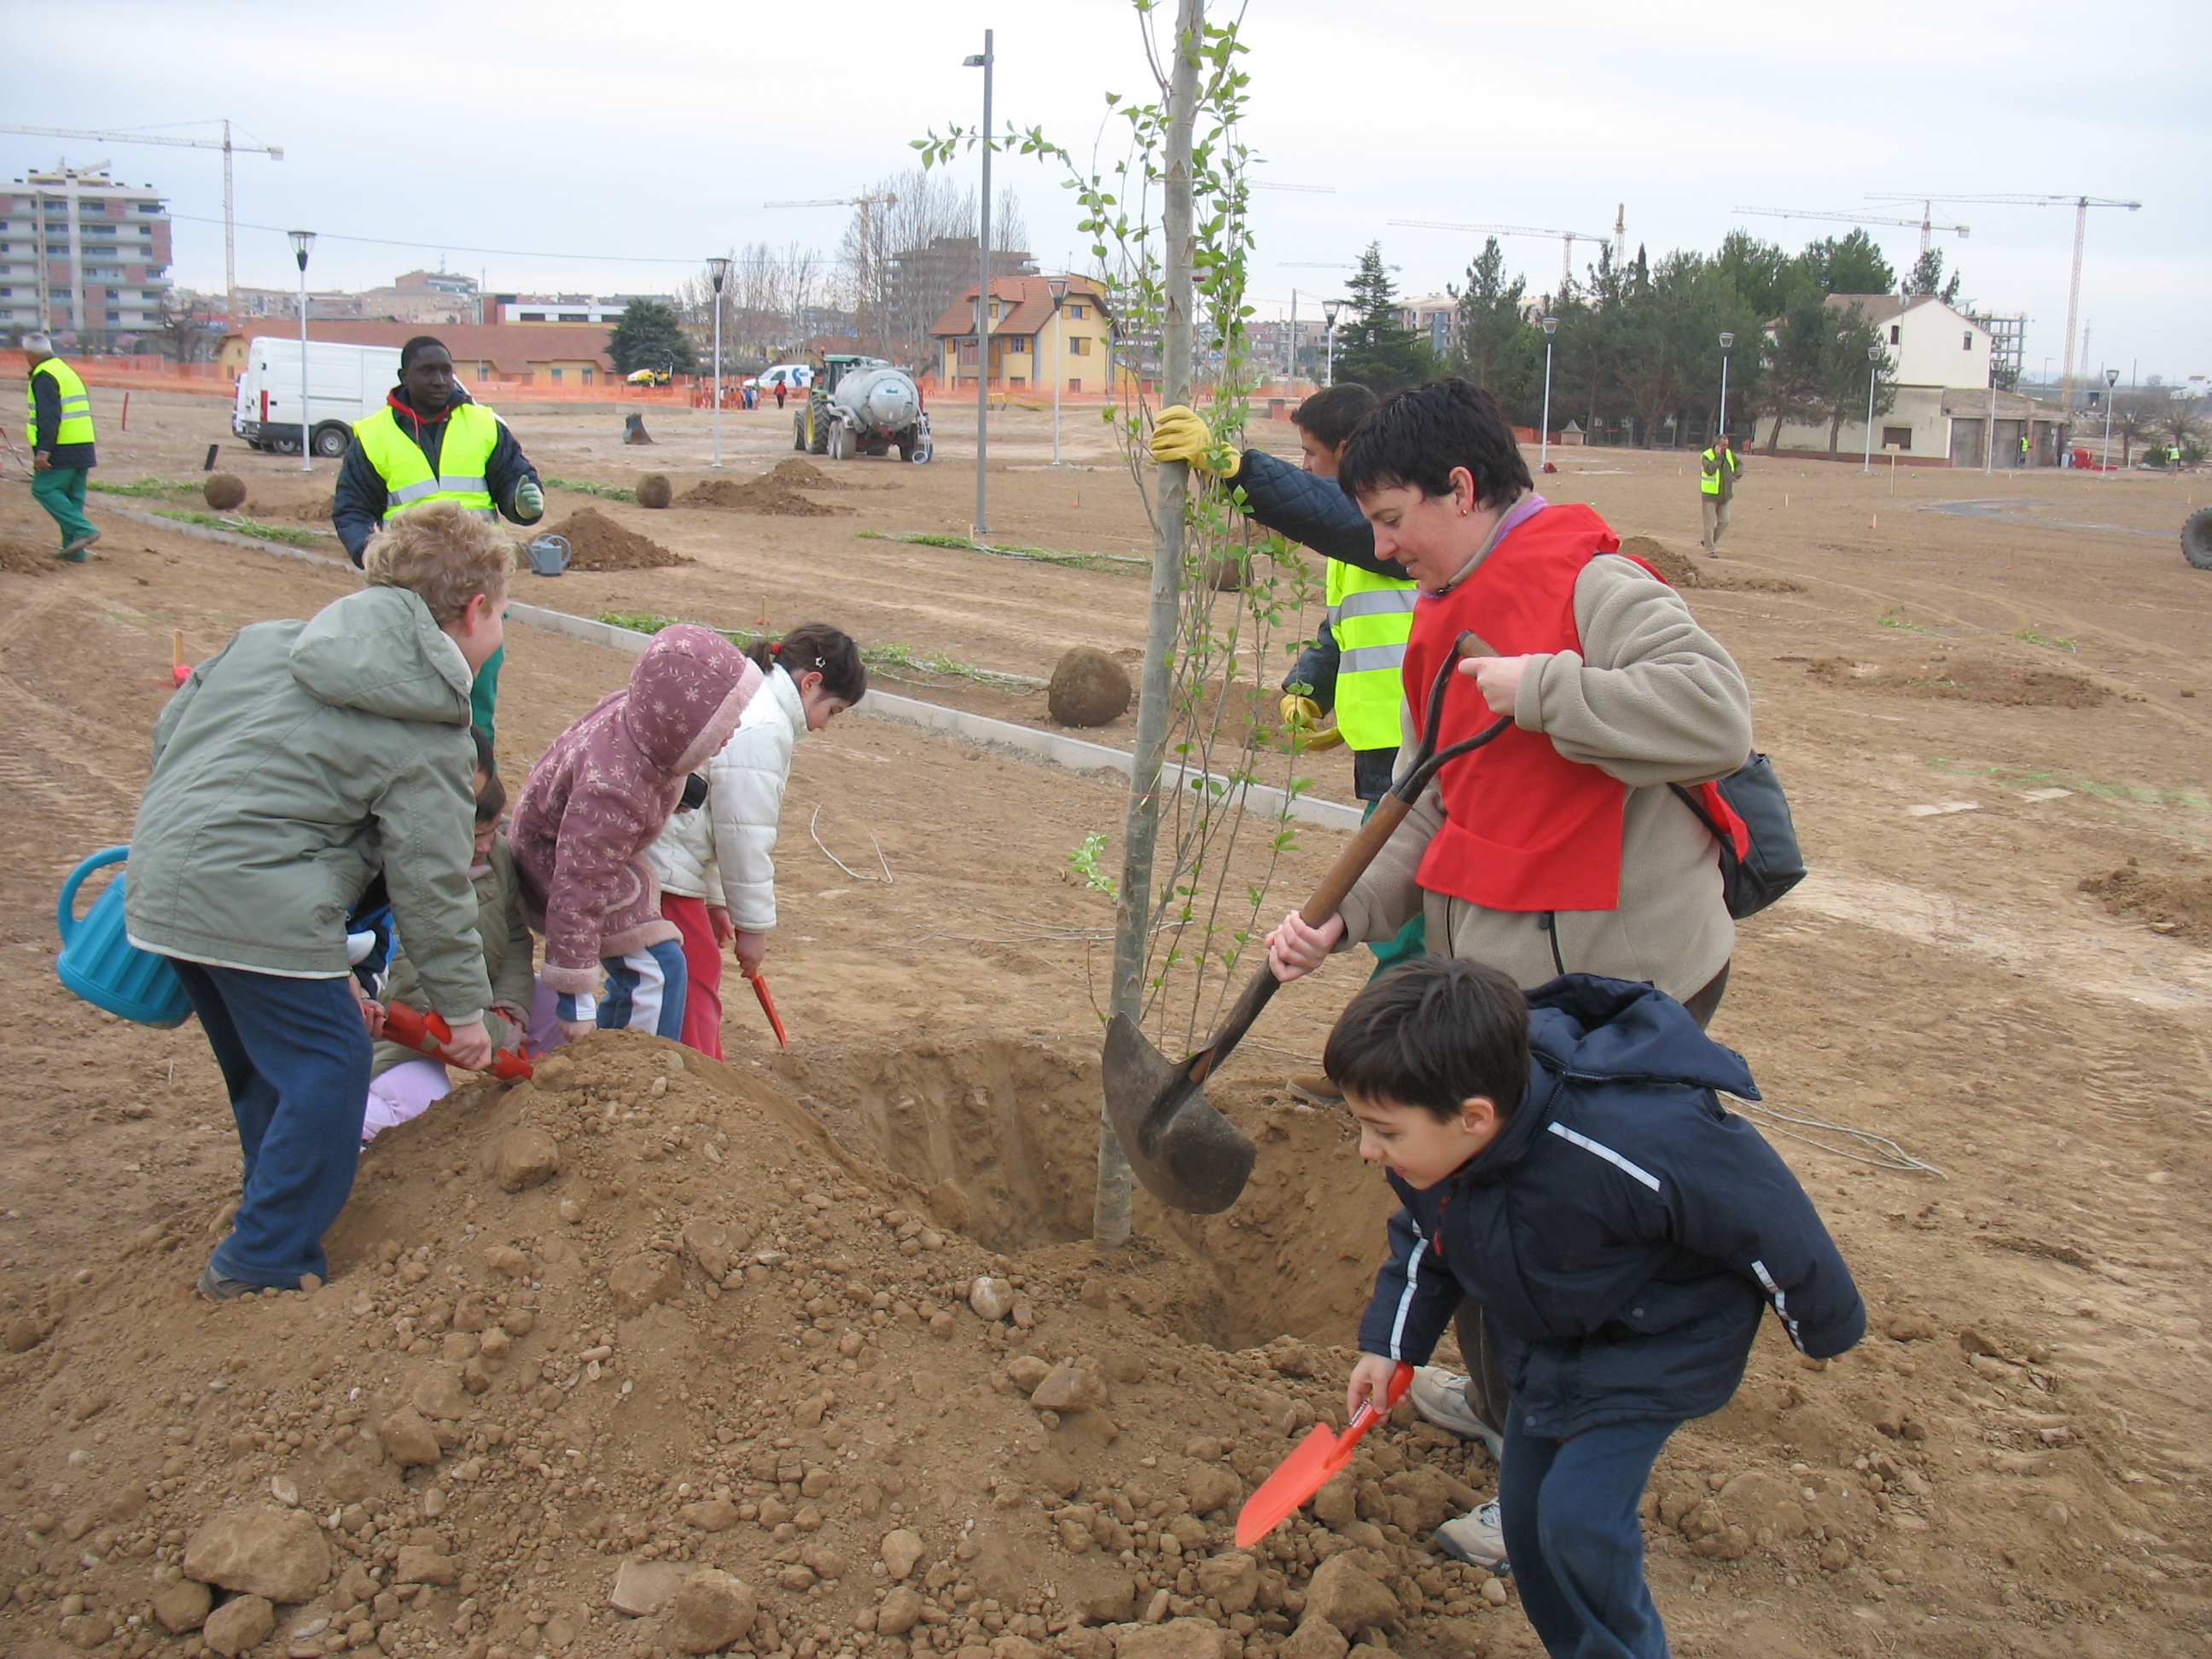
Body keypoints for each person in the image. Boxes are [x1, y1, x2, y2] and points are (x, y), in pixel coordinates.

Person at [1266, 377, 1755, 1556]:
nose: (1377, 548)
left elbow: (1716, 718)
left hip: (1625, 980)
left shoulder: (1598, 585)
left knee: (1557, 1241)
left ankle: (1543, 1468)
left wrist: (1540, 689)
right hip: (1504, 974)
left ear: (1464, 488)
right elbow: (1431, 805)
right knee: (1474, 1207)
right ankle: (1496, 1405)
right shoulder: (1446, 609)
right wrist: (1346, 919)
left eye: (1390, 520)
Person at [1330, 958, 1863, 1656]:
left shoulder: (1630, 1136)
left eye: (1385, 1131)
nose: (1369, 1150)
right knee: (1527, 1526)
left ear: (1474, 1118)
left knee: (1579, 1523)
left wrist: (1822, 1324)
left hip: (1662, 1341)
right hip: (1553, 1341)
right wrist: (1392, 1346)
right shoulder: (1438, 1163)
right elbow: (1428, 1241)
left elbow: (1765, 1213)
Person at [125, 504, 508, 1296]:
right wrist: (467, 1016)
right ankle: (264, 1256)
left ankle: (270, 1204)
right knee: (333, 1066)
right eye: (502, 613)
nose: (500, 630)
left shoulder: (266, 640)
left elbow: (169, 735)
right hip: (252, 896)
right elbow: (432, 887)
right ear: (473, 611)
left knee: (271, 1068)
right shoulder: (433, 729)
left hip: (164, 875)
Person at [1150, 386, 1423, 1105]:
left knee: (1408, 931)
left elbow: (1331, 515)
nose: (1304, 467)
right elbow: (1344, 624)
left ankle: (1376, 1077)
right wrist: (1312, 682)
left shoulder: (1396, 525)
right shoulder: (1365, 536)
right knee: (1415, 923)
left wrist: (1235, 469)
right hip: (1380, 748)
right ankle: (1389, 1074)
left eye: (1310, 454)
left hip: (1419, 754)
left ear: (1348, 454)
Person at [510, 625, 762, 1046]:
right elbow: (578, 887)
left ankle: (612, 1050)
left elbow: (648, 766)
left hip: (580, 852)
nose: (734, 727)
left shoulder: (641, 722)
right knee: (656, 971)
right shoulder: (612, 791)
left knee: (659, 963)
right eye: (723, 719)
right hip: (553, 864)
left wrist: (680, 784)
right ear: (684, 724)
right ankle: (634, 1073)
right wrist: (574, 995)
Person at [648, 625, 866, 1059]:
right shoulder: (765, 726)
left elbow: (712, 812)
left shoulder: (753, 698)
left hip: (669, 852)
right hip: (663, 861)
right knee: (694, 974)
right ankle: (699, 1078)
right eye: (834, 712)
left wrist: (714, 901)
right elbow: (743, 834)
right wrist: (753, 929)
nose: (825, 727)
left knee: (692, 969)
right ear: (811, 683)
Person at [333, 335, 545, 741]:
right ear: (403, 377)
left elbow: (514, 482)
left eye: (446, 370)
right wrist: (370, 552)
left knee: (476, 700)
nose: (440, 379)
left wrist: (524, 503)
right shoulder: (374, 437)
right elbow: (352, 510)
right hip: (409, 590)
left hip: (475, 587)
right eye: (427, 371)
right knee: (408, 695)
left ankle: (476, 786)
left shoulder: (484, 426)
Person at [363, 729, 538, 1138]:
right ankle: (341, 1120)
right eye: (477, 836)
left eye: (493, 832)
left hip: (486, 1005)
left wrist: (513, 1009)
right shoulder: (403, 876)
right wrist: (494, 1032)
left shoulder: (496, 858)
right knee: (419, 1109)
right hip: (409, 1027)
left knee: (562, 1020)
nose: (487, 846)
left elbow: (515, 939)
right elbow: (406, 988)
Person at [21, 332, 102, 561]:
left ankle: (84, 530)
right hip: (83, 443)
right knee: (72, 497)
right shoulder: (65, 370)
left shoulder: (44, 375)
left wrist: (43, 450)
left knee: (44, 489)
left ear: (29, 354)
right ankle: (74, 552)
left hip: (61, 445)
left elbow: (49, 416)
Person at [1697, 430, 1741, 557]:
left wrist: (1737, 474)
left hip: (1725, 495)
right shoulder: (1707, 455)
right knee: (1710, 524)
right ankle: (1710, 550)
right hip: (1710, 495)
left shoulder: (1729, 454)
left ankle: (1708, 541)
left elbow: (1739, 464)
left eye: (1727, 445)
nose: (1725, 448)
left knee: (1725, 521)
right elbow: (1710, 470)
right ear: (1717, 445)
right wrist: (1718, 457)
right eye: (1723, 446)